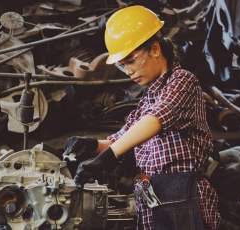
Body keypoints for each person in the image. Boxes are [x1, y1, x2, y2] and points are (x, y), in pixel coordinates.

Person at [64, 5, 221, 230]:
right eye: (121, 65)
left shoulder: (183, 81)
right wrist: (90, 144)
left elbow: (155, 120)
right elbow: (123, 140)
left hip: (181, 197)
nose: (127, 71)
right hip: (152, 197)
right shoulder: (148, 98)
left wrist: (106, 158)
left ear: (155, 48)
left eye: (130, 60)